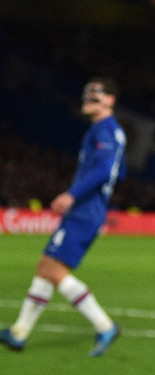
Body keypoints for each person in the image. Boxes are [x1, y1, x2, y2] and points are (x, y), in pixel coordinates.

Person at [1, 77, 126, 356]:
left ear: (110, 100)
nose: (89, 96)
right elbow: (119, 170)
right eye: (87, 92)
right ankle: (19, 333)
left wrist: (73, 193)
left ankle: (105, 325)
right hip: (86, 208)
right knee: (45, 266)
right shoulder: (110, 131)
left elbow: (105, 170)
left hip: (84, 209)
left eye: (97, 93)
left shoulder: (105, 129)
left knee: (53, 270)